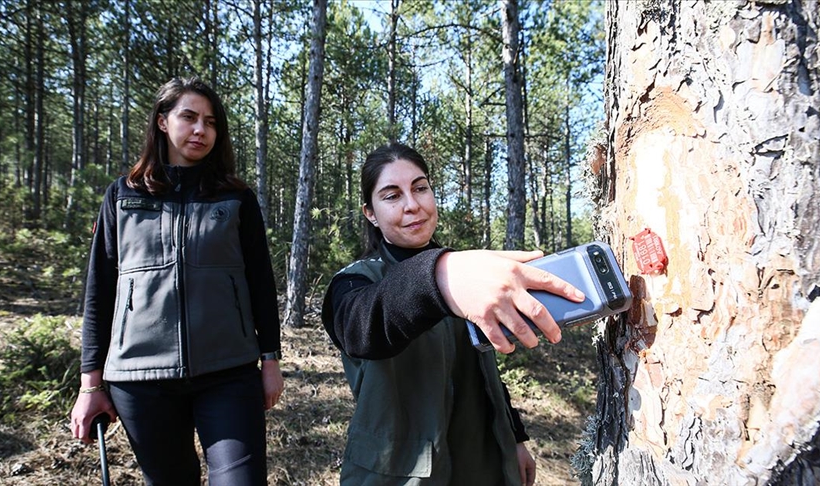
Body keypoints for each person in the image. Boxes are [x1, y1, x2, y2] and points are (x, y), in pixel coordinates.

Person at [321, 142, 585, 486]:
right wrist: (439, 277)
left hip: (482, 461)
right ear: (370, 212)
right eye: (392, 196)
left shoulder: (470, 274)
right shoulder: (355, 282)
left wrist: (514, 438)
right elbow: (360, 328)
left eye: (420, 188)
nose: (412, 205)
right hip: (399, 473)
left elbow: (483, 367)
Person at [70, 77, 283, 486]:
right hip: (139, 380)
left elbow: (260, 283)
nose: (201, 129)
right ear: (163, 122)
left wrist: (270, 360)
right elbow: (99, 293)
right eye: (189, 117)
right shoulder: (122, 196)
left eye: (211, 121)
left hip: (229, 371)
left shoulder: (236, 198)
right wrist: (89, 385)